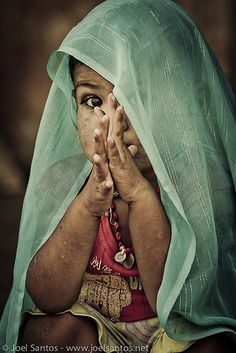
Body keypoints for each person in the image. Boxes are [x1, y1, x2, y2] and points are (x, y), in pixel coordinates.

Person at [1, 0, 236, 352]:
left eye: (131, 97)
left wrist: (140, 195)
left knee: (213, 343)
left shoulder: (196, 189)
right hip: (94, 334)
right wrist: (87, 205)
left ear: (175, 104)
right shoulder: (64, 182)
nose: (111, 122)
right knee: (46, 334)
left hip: (169, 335)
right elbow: (47, 296)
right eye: (92, 101)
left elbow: (169, 303)